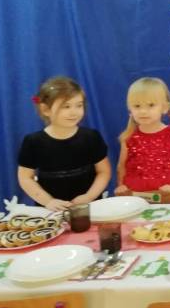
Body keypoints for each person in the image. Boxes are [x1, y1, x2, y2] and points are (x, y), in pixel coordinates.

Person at [17, 76, 112, 211]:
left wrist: (89, 196)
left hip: (89, 207)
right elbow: (25, 178)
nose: (74, 112)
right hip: (51, 210)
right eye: (66, 106)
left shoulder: (91, 137)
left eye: (79, 105)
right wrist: (48, 201)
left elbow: (104, 172)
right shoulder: (33, 141)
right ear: (45, 109)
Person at [116, 77, 170, 203]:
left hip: (166, 198)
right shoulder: (128, 137)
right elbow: (121, 167)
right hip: (134, 199)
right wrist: (121, 185)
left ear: (165, 108)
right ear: (130, 110)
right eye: (137, 106)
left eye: (151, 105)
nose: (143, 111)